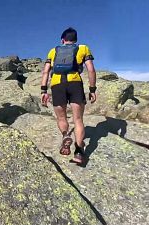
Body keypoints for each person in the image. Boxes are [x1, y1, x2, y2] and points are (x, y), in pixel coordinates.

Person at [40, 27, 97, 164]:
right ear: (75, 40)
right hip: (74, 84)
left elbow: (46, 72)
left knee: (61, 117)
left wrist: (43, 91)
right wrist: (92, 89)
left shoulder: (53, 51)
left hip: (57, 85)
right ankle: (79, 151)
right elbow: (91, 69)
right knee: (78, 119)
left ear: (62, 40)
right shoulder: (83, 48)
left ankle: (66, 135)